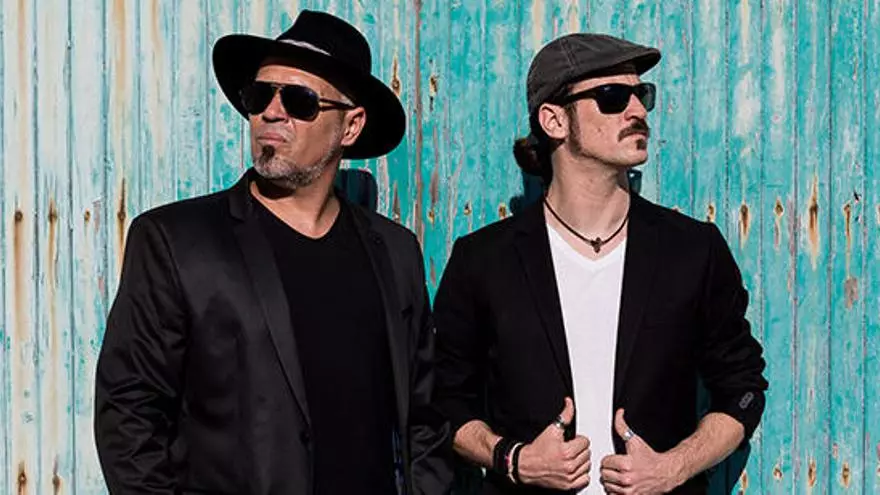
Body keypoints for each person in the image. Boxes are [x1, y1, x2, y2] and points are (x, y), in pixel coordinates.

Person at [94, 10, 451, 495]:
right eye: (260, 95)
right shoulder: (176, 242)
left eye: (299, 100)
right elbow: (129, 415)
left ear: (350, 127)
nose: (271, 112)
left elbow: (423, 418)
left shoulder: (394, 250)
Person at [433, 33, 768, 494]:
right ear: (554, 120)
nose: (638, 111)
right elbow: (443, 399)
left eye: (642, 94)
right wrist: (514, 458)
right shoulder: (485, 260)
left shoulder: (693, 250)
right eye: (613, 97)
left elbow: (743, 389)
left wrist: (673, 468)